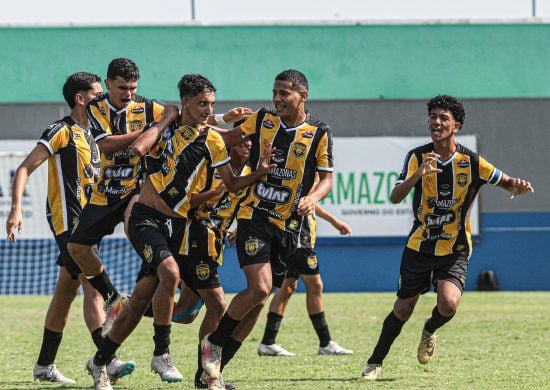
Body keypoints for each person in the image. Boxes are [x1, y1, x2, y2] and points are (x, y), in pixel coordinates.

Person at [85, 73, 274, 390]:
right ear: (185, 102)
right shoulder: (165, 123)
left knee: (207, 306)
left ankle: (104, 363)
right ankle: (161, 352)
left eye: (211, 104)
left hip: (179, 227)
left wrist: (260, 172)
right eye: (201, 103)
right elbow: (138, 149)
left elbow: (231, 182)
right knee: (170, 275)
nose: (206, 109)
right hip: (145, 217)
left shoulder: (213, 140)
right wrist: (165, 120)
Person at [361, 95, 534, 380]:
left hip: (454, 247)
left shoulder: (472, 161)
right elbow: (394, 196)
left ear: (456, 125)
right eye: (433, 117)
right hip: (419, 245)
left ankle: (430, 328)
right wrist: (419, 174)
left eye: (443, 118)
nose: (436, 122)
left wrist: (518, 186)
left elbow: (505, 181)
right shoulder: (417, 156)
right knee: (403, 309)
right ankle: (375, 362)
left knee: (449, 304)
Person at [200, 69, 334, 384]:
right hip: (254, 216)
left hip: (289, 226)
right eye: (274, 92)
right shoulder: (263, 120)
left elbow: (326, 179)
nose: (277, 99)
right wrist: (214, 119)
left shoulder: (319, 132)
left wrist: (313, 198)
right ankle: (214, 342)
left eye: (284, 93)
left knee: (258, 303)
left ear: (303, 95)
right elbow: (227, 139)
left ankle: (210, 375)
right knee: (259, 288)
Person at [5, 72, 134, 385]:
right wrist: (16, 208)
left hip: (88, 225)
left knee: (66, 292)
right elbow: (24, 168)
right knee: (93, 290)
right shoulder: (61, 130)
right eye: (97, 94)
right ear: (81, 98)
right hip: (67, 223)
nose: (103, 99)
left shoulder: (97, 136)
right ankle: (108, 358)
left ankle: (44, 365)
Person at [66, 58, 177, 339]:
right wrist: (152, 129)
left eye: (132, 87)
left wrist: (225, 119)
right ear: (107, 84)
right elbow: (105, 145)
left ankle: (155, 291)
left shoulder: (150, 107)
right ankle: (114, 298)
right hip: (107, 190)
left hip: (139, 188)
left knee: (136, 229)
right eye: (122, 87)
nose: (128, 93)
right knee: (77, 247)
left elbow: (191, 118)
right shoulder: (96, 107)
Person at [258, 203, 353, 357]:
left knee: (288, 287)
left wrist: (334, 221)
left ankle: (268, 342)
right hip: (299, 241)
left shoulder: (309, 184)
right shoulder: (305, 179)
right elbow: (304, 201)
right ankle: (325, 343)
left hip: (295, 240)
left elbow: (311, 202)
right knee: (315, 286)